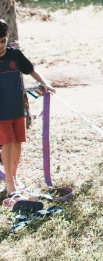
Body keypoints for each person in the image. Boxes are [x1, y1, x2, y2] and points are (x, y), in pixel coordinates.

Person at [0, 19, 55, 200]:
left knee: (17, 142)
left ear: (7, 38)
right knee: (7, 143)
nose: (0, 46)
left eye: (2, 41)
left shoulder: (14, 55)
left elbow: (31, 70)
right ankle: (9, 184)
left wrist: (44, 83)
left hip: (17, 108)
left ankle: (13, 177)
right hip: (1, 112)